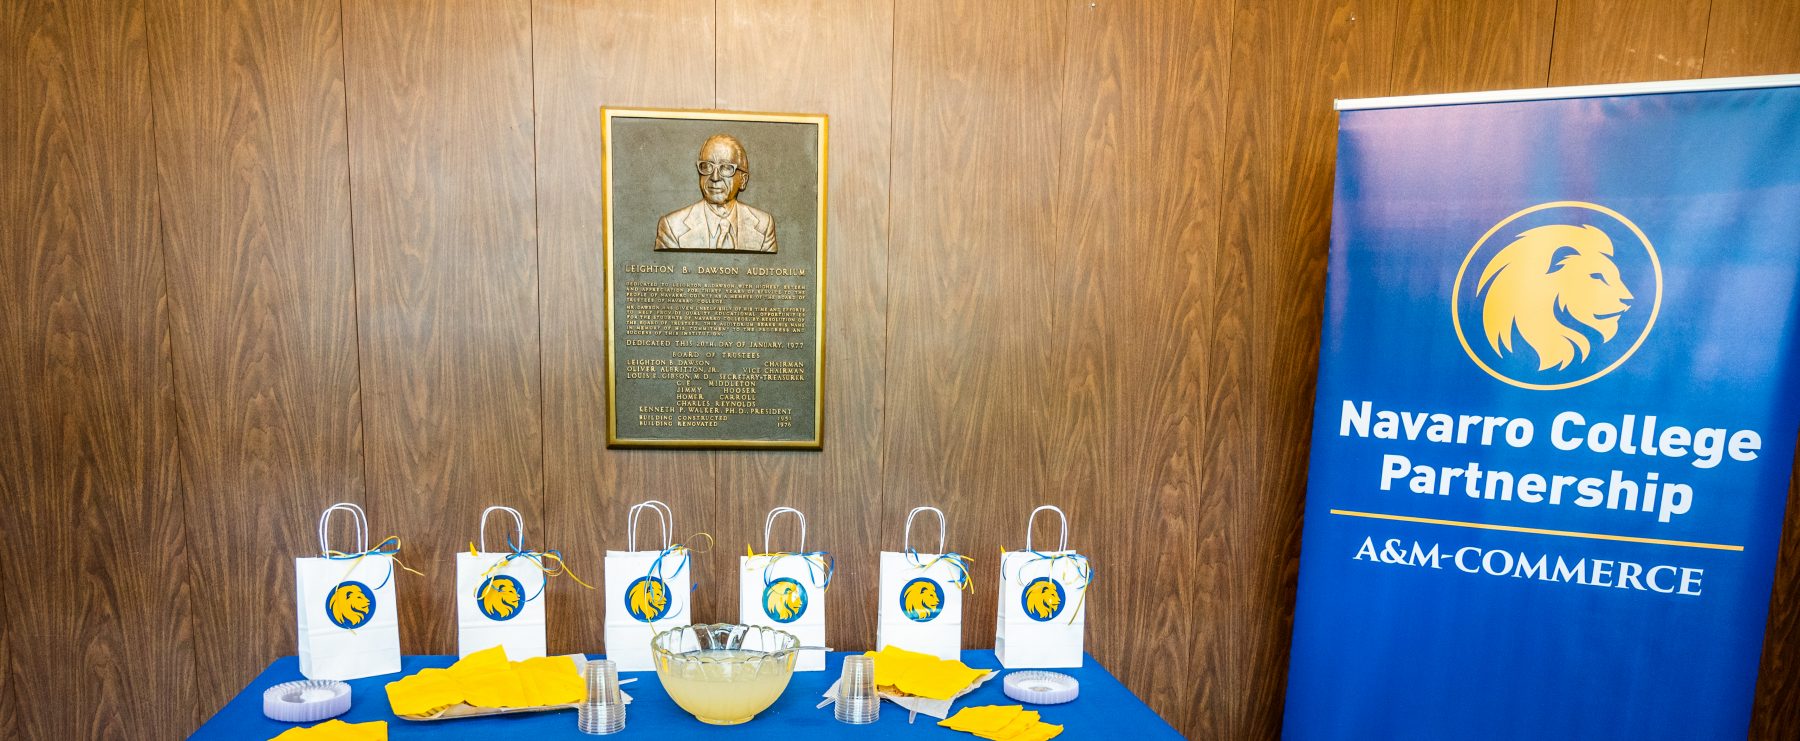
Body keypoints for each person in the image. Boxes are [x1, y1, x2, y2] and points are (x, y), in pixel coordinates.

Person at [654, 134, 778, 253]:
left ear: (743, 180)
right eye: (707, 166)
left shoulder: (764, 225)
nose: (715, 177)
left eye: (726, 168)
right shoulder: (672, 227)